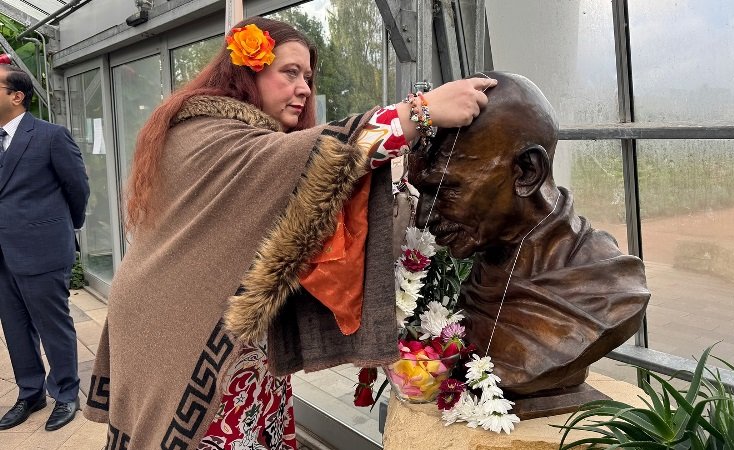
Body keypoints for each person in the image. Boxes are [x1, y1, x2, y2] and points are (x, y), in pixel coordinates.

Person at [83, 17, 496, 449]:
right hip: (178, 320)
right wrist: (420, 112)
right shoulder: (207, 133)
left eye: (309, 77)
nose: (304, 88)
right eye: (290, 72)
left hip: (208, 319)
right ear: (247, 69)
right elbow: (311, 155)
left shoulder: (229, 135)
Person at [410, 71, 649, 397]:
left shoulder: (612, 287)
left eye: (447, 190)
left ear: (527, 172)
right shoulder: (487, 259)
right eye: (423, 192)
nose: (426, 217)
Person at [0, 64, 90, 431]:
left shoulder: (51, 136)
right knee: (15, 327)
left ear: (16, 96)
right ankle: (31, 393)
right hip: (2, 255)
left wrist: (64, 229)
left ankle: (66, 394)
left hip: (41, 249)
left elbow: (78, 189)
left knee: (52, 325)